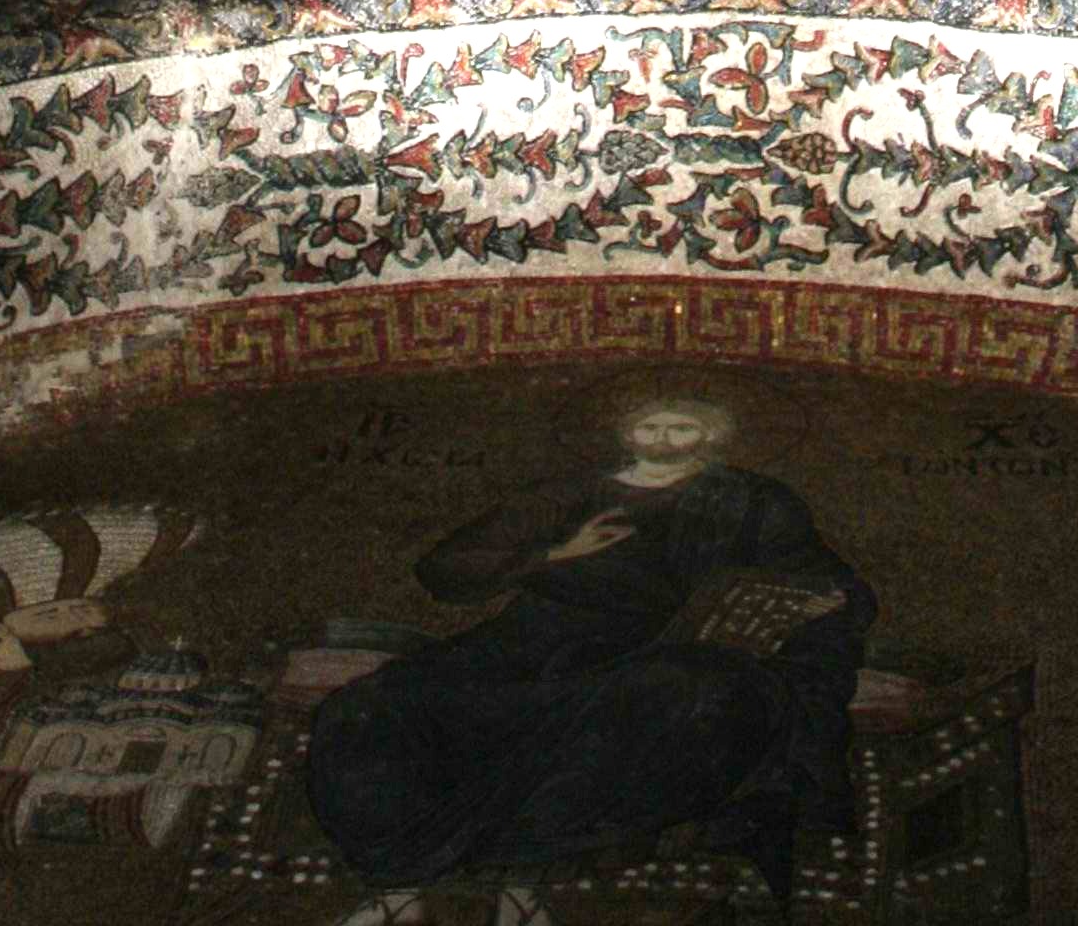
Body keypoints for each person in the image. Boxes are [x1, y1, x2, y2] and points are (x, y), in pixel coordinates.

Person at [311, 394, 873, 923]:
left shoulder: (756, 502)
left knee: (689, 692)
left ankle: (522, 877)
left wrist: (826, 599)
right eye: (651, 426)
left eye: (682, 427)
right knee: (379, 702)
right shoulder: (568, 493)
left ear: (711, 437)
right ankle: (400, 883)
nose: (665, 439)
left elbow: (826, 578)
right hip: (530, 642)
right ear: (628, 433)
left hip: (661, 649)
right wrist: (557, 553)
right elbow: (445, 568)